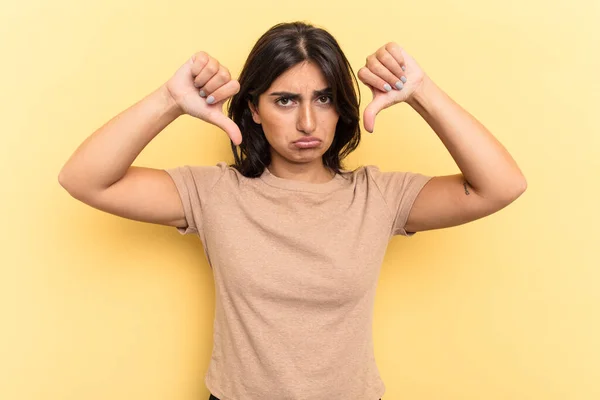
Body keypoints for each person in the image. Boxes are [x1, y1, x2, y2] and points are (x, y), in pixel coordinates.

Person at [58, 21, 526, 400]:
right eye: (285, 100)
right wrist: (169, 101)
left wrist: (421, 91)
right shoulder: (215, 193)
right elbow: (84, 179)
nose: (307, 122)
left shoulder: (378, 197)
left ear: (341, 107)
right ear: (254, 109)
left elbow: (501, 186)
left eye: (323, 99)